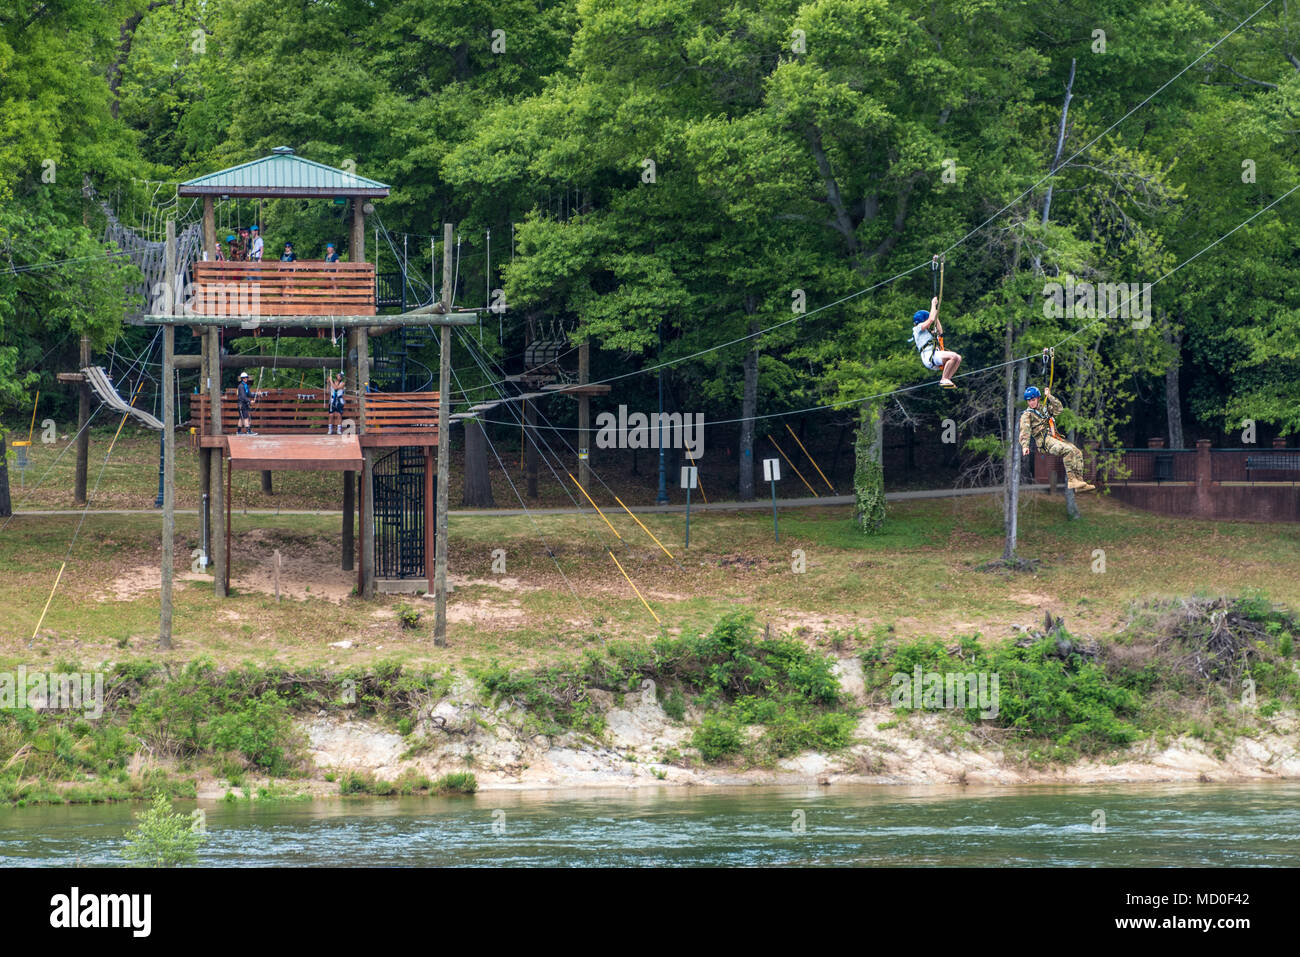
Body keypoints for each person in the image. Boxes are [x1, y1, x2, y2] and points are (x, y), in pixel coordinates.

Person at [1019, 385, 1094, 492]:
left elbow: (1059, 409)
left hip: (1054, 437)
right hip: (1045, 441)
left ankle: (1079, 483)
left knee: (1077, 452)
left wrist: (1049, 396)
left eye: (1033, 400)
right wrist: (1025, 446)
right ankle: (1072, 480)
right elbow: (1024, 430)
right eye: (1029, 401)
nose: (1031, 402)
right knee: (1068, 450)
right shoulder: (1027, 415)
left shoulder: (1044, 409)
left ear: (1038, 399)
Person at [912, 296, 962, 388]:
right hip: (929, 356)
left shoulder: (927, 333)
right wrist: (933, 304)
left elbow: (940, 331)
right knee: (953, 356)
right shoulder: (917, 329)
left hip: (934, 354)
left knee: (958, 358)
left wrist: (936, 316)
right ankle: (944, 379)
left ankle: (947, 379)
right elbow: (930, 320)